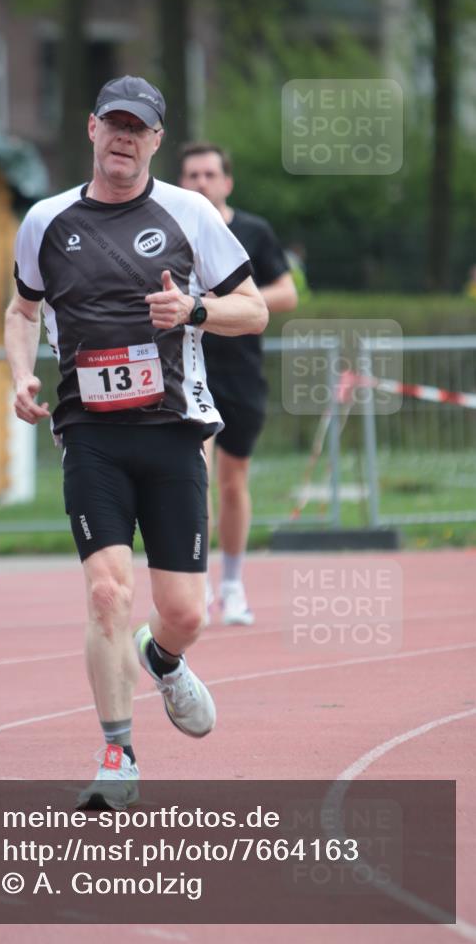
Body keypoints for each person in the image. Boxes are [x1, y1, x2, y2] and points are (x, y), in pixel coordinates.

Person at [5, 78, 268, 809]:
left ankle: (163, 658)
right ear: (91, 129)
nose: (123, 138)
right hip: (89, 433)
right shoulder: (46, 221)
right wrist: (20, 376)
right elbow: (22, 311)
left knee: (185, 611)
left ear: (155, 140)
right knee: (105, 594)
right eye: (112, 124)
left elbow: (253, 313)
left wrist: (194, 309)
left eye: (138, 128)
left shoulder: (189, 213)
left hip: (173, 432)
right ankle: (117, 753)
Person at [179, 143, 298, 626]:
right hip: (187, 373)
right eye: (192, 175)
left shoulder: (253, 231)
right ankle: (198, 584)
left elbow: (287, 293)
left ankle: (232, 585)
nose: (201, 182)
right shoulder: (170, 229)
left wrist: (226, 301)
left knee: (233, 483)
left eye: (210, 174)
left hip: (242, 374)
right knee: (196, 479)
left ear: (227, 182)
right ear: (180, 182)